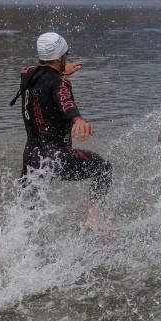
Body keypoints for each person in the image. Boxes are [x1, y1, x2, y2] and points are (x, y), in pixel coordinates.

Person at [12, 32, 111, 229]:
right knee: (103, 168)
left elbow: (45, 78)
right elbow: (63, 99)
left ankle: (4, 251)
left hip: (31, 155)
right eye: (66, 53)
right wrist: (78, 119)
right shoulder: (59, 83)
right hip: (55, 155)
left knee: (25, 216)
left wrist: (62, 70)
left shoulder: (28, 74)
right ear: (59, 57)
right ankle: (93, 220)